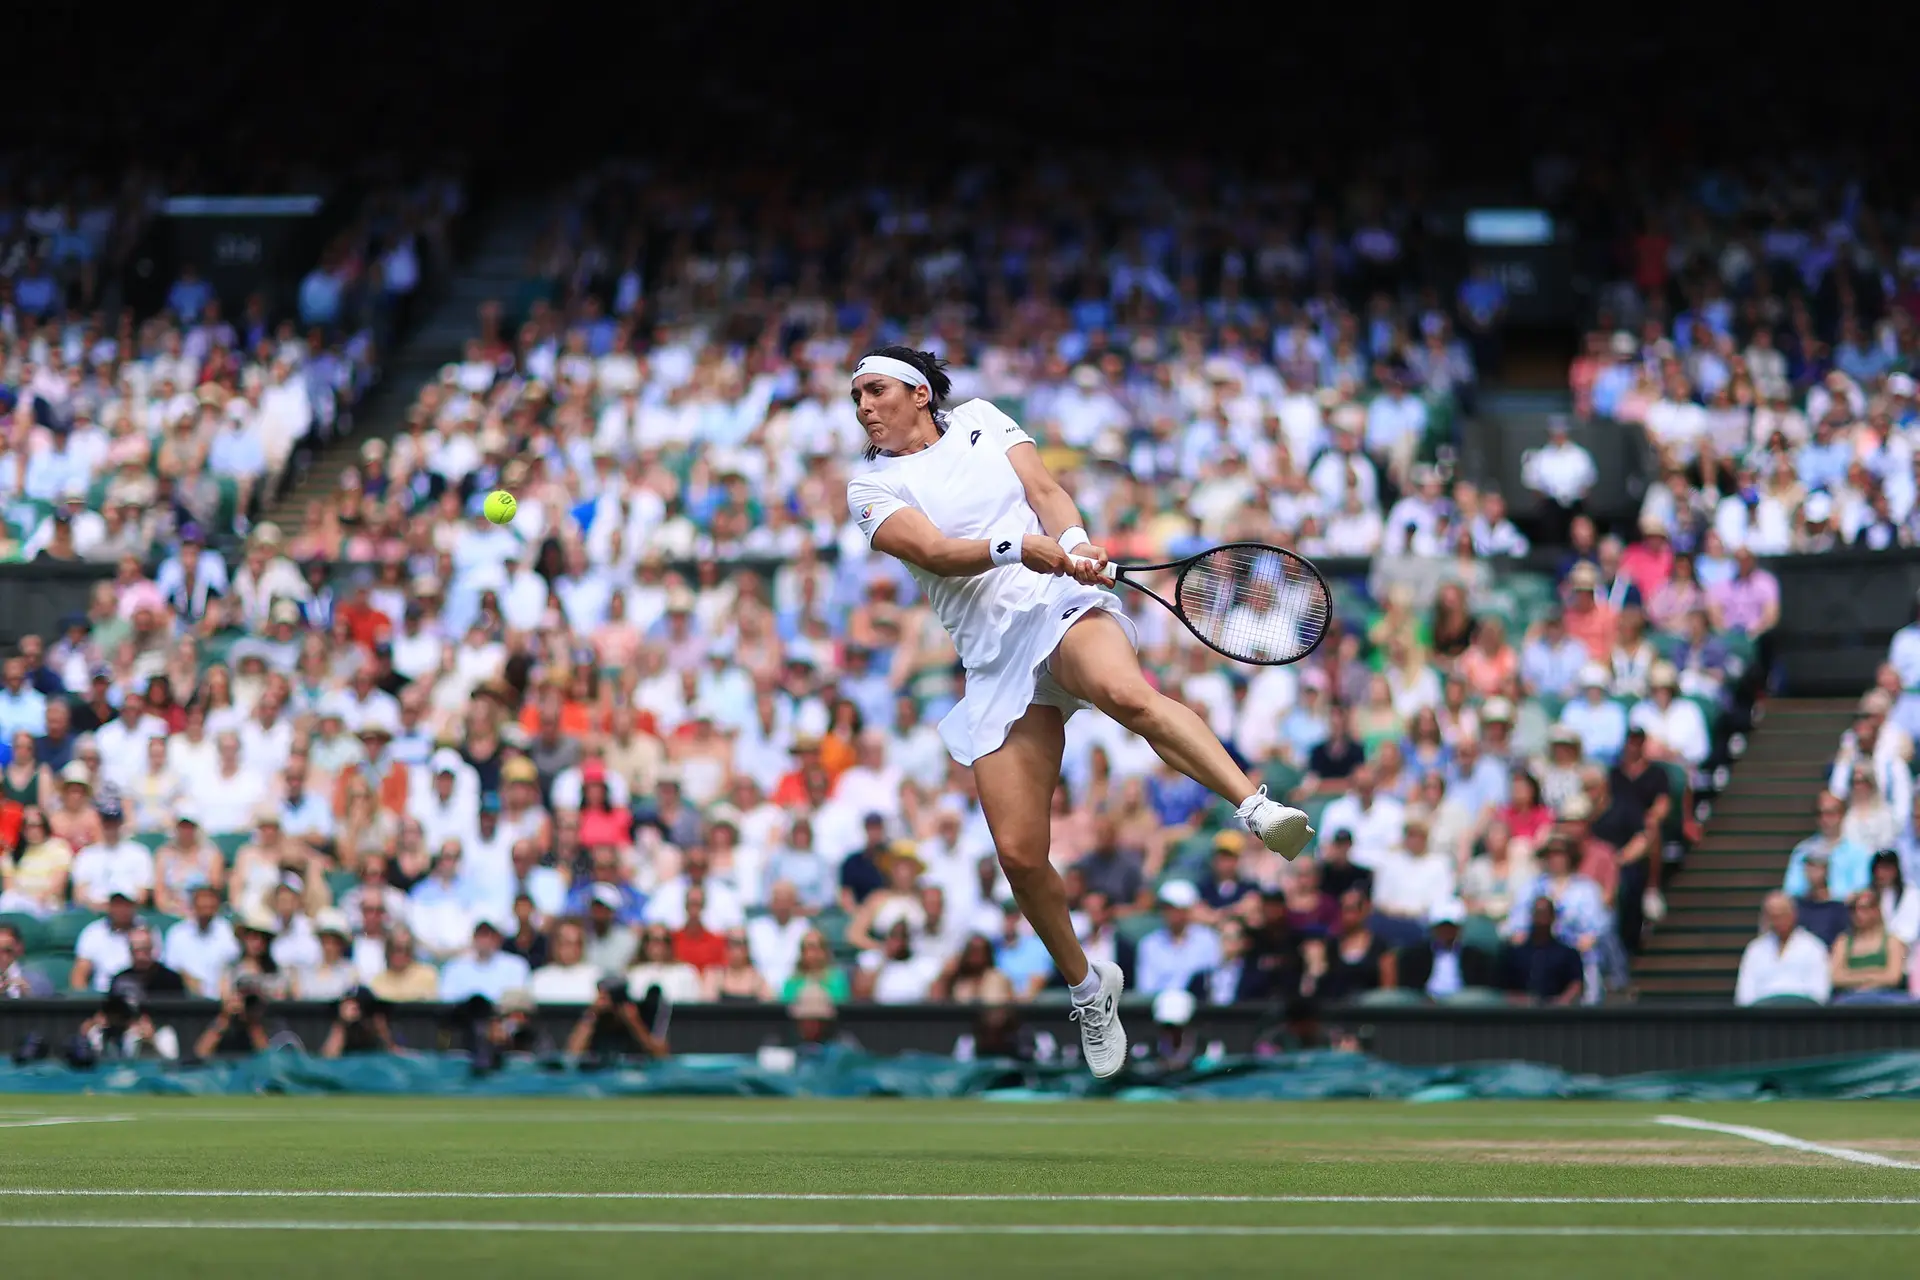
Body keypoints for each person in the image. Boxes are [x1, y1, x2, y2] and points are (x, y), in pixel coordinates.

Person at [846, 347, 1312, 1075]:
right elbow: (935, 552)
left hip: (1058, 604)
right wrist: (1019, 545)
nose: (864, 406)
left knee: (1126, 694)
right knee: (1021, 855)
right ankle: (1090, 990)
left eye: (874, 390)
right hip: (994, 659)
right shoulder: (871, 485)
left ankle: (1254, 806)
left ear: (917, 391)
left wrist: (1070, 543)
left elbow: (1047, 490)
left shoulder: (979, 419)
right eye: (858, 398)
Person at [1734, 893, 1831, 1005]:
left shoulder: (1814, 947)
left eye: (1782, 915)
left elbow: (1820, 993)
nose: (1778, 921)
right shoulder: (1755, 949)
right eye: (1773, 916)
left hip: (1802, 1015)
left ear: (1794, 914)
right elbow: (1744, 996)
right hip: (1762, 1016)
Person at [1829, 891, 1908, 1004]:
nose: (1858, 914)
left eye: (1864, 909)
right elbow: (1837, 977)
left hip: (1886, 999)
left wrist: (1854, 976)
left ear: (1876, 911)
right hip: (1850, 999)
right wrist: (1876, 974)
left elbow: (1893, 976)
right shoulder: (1843, 941)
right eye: (1854, 909)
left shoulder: (1892, 941)